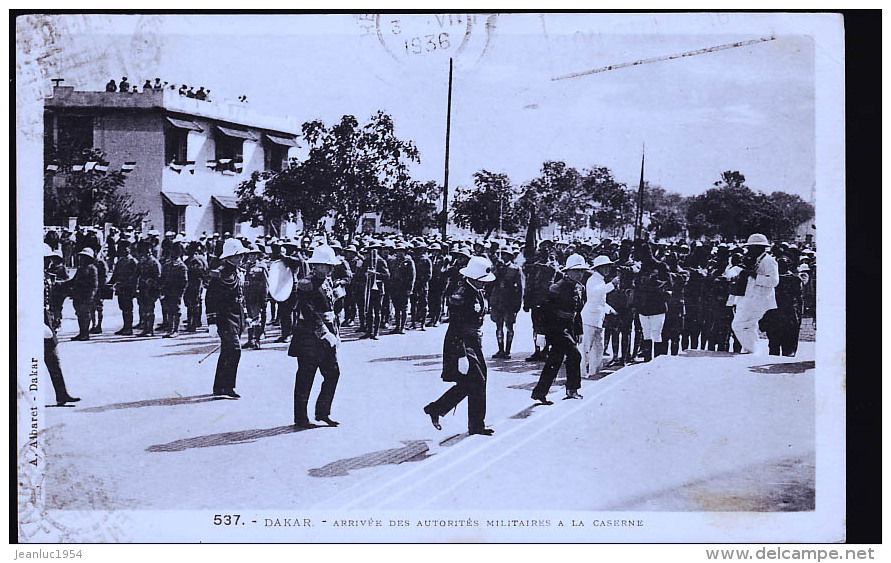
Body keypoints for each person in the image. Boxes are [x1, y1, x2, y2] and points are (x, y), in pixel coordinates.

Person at [424, 255, 496, 436]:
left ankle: (439, 410)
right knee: (476, 381)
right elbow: (456, 326)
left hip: (473, 342)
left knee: (475, 382)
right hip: (461, 343)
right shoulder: (461, 295)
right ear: (472, 278)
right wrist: (461, 354)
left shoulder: (477, 290)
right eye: (482, 281)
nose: (485, 284)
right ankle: (474, 425)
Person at [289, 245, 343, 427]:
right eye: (327, 265)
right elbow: (307, 310)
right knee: (306, 377)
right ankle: (301, 418)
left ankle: (322, 412)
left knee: (333, 373)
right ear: (317, 265)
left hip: (327, 336)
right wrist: (324, 331)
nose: (331, 269)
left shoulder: (326, 281)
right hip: (309, 337)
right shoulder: (306, 283)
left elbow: (329, 304)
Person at [530, 253, 589, 404]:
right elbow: (543, 311)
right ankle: (572, 389)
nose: (580, 274)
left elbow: (577, 312)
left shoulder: (580, 288)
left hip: (569, 327)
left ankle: (539, 392)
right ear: (568, 272)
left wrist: (579, 330)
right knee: (575, 355)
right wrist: (541, 333)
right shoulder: (557, 288)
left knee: (554, 361)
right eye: (577, 271)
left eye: (582, 270)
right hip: (556, 327)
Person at [206, 239, 247, 398]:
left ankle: (220, 387)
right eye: (237, 256)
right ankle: (228, 386)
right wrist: (212, 322)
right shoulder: (219, 274)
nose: (240, 259)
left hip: (237, 317)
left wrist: (247, 316)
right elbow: (210, 299)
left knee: (227, 351)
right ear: (228, 257)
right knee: (235, 350)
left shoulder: (239, 272)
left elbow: (241, 296)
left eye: (242, 256)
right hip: (224, 318)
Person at [731, 233, 779, 354]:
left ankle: (752, 350)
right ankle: (754, 351)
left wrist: (753, 275)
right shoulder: (754, 260)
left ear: (760, 247)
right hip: (750, 298)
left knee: (738, 325)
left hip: (759, 299)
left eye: (751, 248)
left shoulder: (768, 261)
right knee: (749, 326)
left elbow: (774, 281)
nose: (748, 250)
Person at [44, 245, 80, 406]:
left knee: (53, 359)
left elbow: (55, 289)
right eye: (45, 260)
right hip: (34, 324)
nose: (49, 263)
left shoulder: (45, 276)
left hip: (46, 322)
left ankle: (62, 394)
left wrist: (73, 282)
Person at [631, 240, 671, 361]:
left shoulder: (661, 267)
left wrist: (654, 285)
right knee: (646, 334)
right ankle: (647, 360)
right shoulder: (641, 269)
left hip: (657, 306)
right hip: (643, 307)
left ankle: (657, 361)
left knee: (656, 334)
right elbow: (636, 286)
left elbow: (669, 285)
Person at [581, 255, 618, 378]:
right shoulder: (593, 280)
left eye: (608, 267)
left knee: (598, 346)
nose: (607, 269)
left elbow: (600, 300)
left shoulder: (600, 280)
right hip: (589, 318)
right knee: (587, 347)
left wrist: (610, 309)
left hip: (598, 318)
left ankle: (594, 372)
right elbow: (596, 294)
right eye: (604, 267)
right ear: (598, 268)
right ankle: (582, 372)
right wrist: (611, 285)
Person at [762, 257, 804, 356]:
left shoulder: (794, 279)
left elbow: (799, 298)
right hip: (779, 314)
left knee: (783, 346)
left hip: (785, 314)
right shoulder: (775, 279)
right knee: (776, 346)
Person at [522, 249, 557, 362]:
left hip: (548, 302)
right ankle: (537, 350)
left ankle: (545, 350)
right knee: (536, 327)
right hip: (536, 301)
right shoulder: (534, 268)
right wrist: (527, 301)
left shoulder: (552, 268)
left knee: (547, 327)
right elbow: (529, 284)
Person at [490, 246, 523, 359]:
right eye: (502, 254)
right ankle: (500, 350)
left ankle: (507, 350)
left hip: (509, 301)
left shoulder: (515, 269)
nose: (503, 257)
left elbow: (520, 288)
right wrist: (496, 268)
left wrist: (518, 304)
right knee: (498, 326)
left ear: (510, 256)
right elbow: (490, 280)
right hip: (497, 300)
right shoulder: (496, 268)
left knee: (509, 326)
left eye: (506, 255)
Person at [66, 247, 99, 341]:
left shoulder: (92, 268)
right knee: (80, 314)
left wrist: (91, 296)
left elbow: (94, 284)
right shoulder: (80, 268)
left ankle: (85, 333)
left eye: (84, 257)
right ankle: (82, 332)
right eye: (81, 257)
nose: (81, 259)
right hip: (78, 295)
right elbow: (73, 280)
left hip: (86, 296)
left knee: (85, 314)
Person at [361, 241, 389, 340]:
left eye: (375, 249)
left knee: (377, 311)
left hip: (378, 288)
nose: (373, 251)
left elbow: (387, 276)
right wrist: (365, 274)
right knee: (368, 311)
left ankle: (376, 332)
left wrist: (375, 273)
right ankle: (369, 331)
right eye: (371, 249)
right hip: (368, 288)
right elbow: (361, 273)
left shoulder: (381, 261)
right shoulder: (366, 261)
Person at [242, 244, 269, 349]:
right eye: (250, 254)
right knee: (249, 318)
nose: (251, 256)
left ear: (257, 255)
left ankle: (257, 340)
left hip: (258, 296)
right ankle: (250, 339)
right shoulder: (246, 266)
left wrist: (265, 297)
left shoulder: (261, 266)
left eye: (253, 254)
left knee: (256, 318)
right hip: (248, 296)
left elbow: (266, 282)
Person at [160, 241, 188, 338]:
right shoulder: (167, 265)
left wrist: (180, 293)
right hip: (167, 291)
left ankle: (176, 330)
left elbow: (184, 282)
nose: (173, 254)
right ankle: (170, 329)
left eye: (175, 252)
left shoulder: (182, 267)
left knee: (176, 310)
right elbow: (162, 278)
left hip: (176, 292)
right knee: (168, 310)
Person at [111, 238, 138, 335]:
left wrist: (133, 288)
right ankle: (125, 326)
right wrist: (110, 284)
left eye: (126, 248)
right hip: (120, 288)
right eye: (122, 248)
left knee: (128, 308)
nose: (123, 250)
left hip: (128, 288)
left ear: (129, 249)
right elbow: (115, 274)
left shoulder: (133, 261)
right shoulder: (120, 261)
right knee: (123, 307)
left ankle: (129, 328)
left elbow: (135, 276)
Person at [135, 239, 162, 337]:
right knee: (143, 309)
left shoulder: (154, 263)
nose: (145, 254)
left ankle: (150, 329)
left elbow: (159, 277)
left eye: (147, 251)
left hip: (151, 290)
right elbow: (136, 274)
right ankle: (145, 328)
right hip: (142, 289)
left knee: (150, 310)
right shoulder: (141, 262)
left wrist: (151, 282)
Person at [389, 243, 415, 334]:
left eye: (401, 251)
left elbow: (412, 276)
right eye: (398, 251)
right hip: (395, 287)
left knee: (404, 308)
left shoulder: (409, 261)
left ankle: (402, 326)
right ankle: (397, 325)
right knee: (396, 308)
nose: (400, 253)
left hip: (404, 287)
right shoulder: (393, 261)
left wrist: (409, 289)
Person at [183, 241, 208, 332]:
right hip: (190, 284)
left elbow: (201, 273)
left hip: (196, 284)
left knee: (194, 304)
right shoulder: (188, 260)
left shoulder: (196, 261)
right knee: (191, 304)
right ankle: (192, 322)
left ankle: (193, 324)